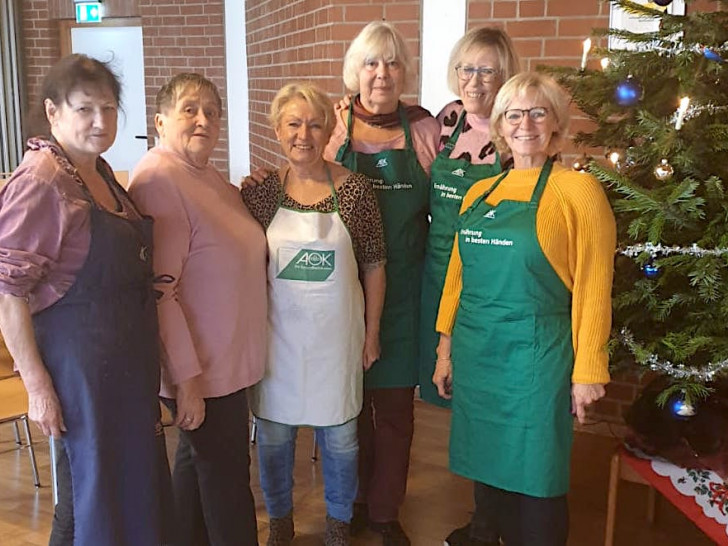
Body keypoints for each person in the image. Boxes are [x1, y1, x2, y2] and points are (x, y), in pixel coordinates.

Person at [433, 72, 616, 546]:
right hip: (479, 352)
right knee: (487, 457)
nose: (525, 124)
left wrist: (588, 370)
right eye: (514, 114)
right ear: (499, 125)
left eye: (538, 112)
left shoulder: (579, 192)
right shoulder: (480, 194)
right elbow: (457, 278)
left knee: (537, 472)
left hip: (536, 358)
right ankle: (484, 533)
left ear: (556, 123)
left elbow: (595, 287)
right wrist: (445, 350)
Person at [0, 54, 172, 545]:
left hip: (121, 367)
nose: (101, 122)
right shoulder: (42, 180)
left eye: (110, 108)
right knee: (87, 497)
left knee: (125, 490)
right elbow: (7, 292)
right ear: (53, 113)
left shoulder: (97, 173)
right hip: (80, 373)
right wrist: (37, 386)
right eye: (85, 110)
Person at [242, 82, 386, 546]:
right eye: (293, 123)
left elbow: (375, 266)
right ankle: (280, 523)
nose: (304, 134)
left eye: (315, 123)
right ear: (277, 130)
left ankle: (339, 524)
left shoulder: (357, 191)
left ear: (330, 130)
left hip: (336, 342)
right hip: (277, 342)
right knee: (275, 440)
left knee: (342, 442)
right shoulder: (261, 193)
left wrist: (373, 335)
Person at [129, 73, 266, 546]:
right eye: (189, 109)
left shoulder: (206, 176)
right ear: (161, 121)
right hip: (201, 370)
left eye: (211, 111)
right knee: (228, 483)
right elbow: (160, 293)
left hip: (224, 364)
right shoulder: (159, 178)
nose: (202, 119)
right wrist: (186, 381)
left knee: (196, 465)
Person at [323, 21, 440, 546]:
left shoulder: (424, 129)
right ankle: (347, 504)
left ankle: (385, 512)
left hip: (403, 293)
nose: (382, 73)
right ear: (356, 70)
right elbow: (306, 187)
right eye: (372, 62)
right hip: (342, 293)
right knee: (347, 408)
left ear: (404, 72)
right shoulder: (334, 126)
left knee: (393, 411)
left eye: (392, 63)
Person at [419, 27, 521, 546]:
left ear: (504, 75)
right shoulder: (447, 120)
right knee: (460, 404)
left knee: (486, 402)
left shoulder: (514, 131)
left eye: (486, 70)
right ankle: (487, 519)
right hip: (438, 272)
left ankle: (497, 520)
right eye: (466, 68)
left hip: (486, 279)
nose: (474, 81)